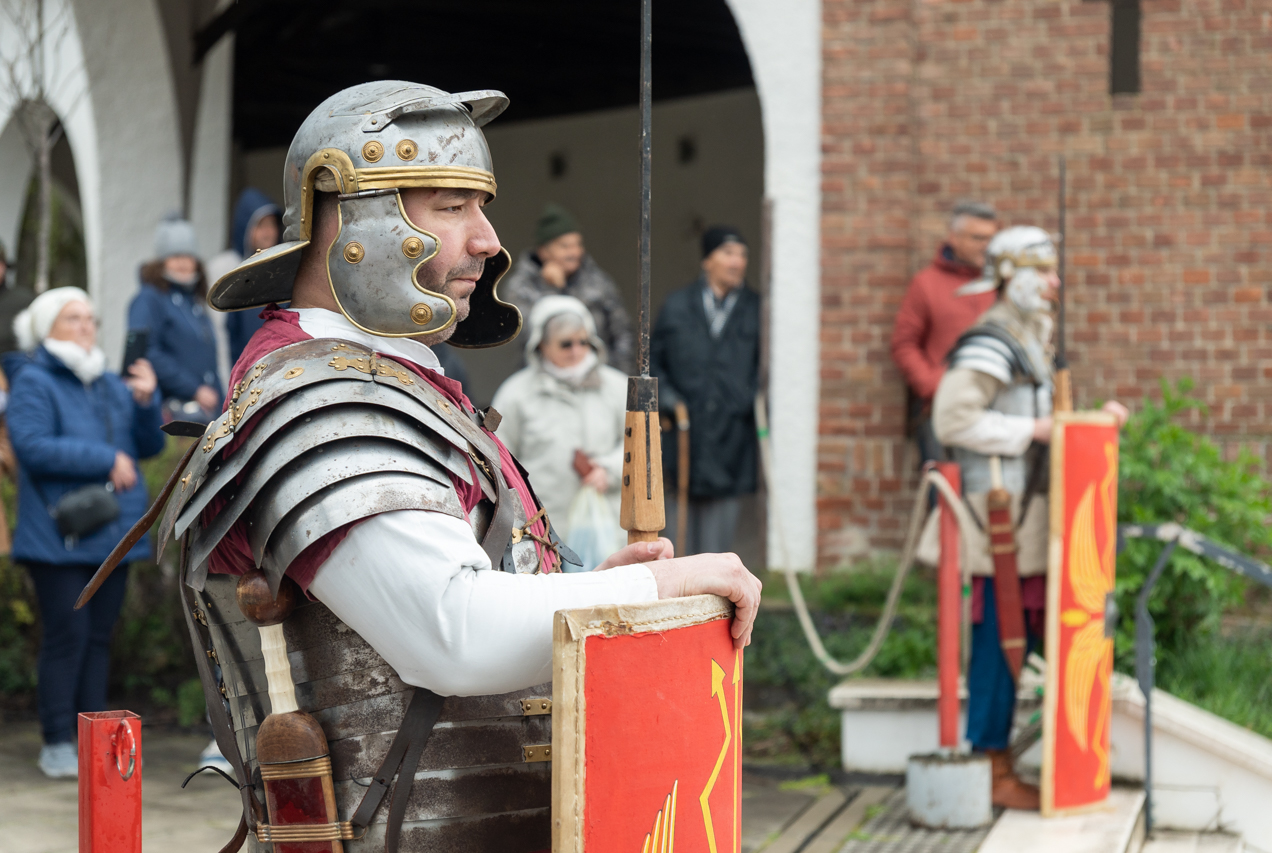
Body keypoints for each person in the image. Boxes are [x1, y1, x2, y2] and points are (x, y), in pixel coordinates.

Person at [135, 81, 759, 851]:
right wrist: (658, 587)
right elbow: (455, 632)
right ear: (347, 217)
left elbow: (455, 593)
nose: (489, 239)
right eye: (451, 206)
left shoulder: (386, 382)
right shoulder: (324, 402)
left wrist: (592, 586)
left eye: (480, 206)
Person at [931, 226, 1128, 810]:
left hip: (1035, 519)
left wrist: (1090, 423)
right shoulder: (991, 341)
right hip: (1001, 520)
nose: (1054, 282)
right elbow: (952, 421)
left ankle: (1018, 755)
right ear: (1010, 276)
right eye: (1041, 270)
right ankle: (991, 764)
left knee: (1035, 631)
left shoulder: (1028, 339)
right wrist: (1034, 429)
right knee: (1002, 635)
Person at [7, 287, 163, 779]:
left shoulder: (108, 382)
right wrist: (104, 458)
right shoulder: (34, 380)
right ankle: (57, 742)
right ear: (47, 326)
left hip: (112, 534)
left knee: (98, 639)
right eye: (73, 318)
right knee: (67, 637)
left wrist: (146, 401)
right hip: (58, 537)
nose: (86, 326)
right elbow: (31, 446)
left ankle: (93, 742)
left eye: (90, 318)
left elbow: (147, 447)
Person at [651, 225, 760, 556]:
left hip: (730, 441)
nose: (737, 262)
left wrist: (745, 400)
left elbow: (766, 370)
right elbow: (653, 362)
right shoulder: (678, 305)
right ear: (707, 260)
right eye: (728, 253)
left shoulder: (757, 309)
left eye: (742, 255)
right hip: (682, 439)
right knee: (675, 544)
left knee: (716, 551)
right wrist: (668, 399)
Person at [492, 294, 627, 549]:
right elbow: (498, 459)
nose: (576, 350)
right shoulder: (515, 394)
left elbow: (641, 447)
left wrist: (608, 470)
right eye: (566, 344)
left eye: (583, 341)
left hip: (609, 529)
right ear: (542, 344)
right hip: (542, 532)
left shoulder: (617, 387)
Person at [891, 200, 999, 466]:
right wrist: (932, 385)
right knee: (945, 486)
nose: (987, 246)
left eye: (991, 239)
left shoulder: (1003, 285)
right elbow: (904, 343)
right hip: (942, 410)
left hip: (996, 410)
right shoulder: (927, 283)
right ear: (954, 237)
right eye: (978, 238)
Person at [501, 203, 635, 370]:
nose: (574, 252)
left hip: (596, 375)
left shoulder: (598, 281)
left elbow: (622, 332)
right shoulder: (521, 286)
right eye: (565, 246)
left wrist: (616, 376)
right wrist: (551, 289)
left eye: (578, 245)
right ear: (543, 251)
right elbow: (526, 334)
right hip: (541, 378)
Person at [127, 214, 221, 420]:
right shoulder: (149, 299)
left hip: (207, 412)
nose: (183, 263)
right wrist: (193, 389)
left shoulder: (195, 302)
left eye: (189, 256)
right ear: (162, 261)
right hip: (170, 413)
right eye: (176, 256)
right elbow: (146, 352)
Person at [207, 188, 284, 367]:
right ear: (245, 226)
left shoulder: (283, 270)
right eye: (261, 225)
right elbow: (219, 332)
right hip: (242, 369)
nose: (268, 232)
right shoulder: (226, 268)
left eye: (271, 225)